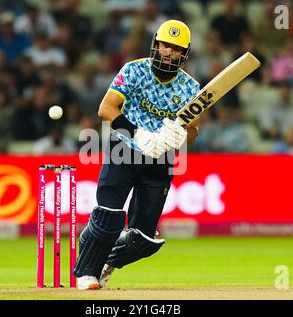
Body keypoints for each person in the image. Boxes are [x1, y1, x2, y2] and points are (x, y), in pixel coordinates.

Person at [72, 20, 200, 290]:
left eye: (175, 49)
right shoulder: (134, 70)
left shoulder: (190, 88)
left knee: (144, 241)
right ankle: (87, 273)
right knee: (108, 219)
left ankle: (104, 257)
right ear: (155, 44)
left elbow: (193, 130)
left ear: (184, 53)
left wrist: (181, 136)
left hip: (160, 160)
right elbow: (106, 108)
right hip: (123, 150)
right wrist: (139, 134)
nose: (167, 52)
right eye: (164, 45)